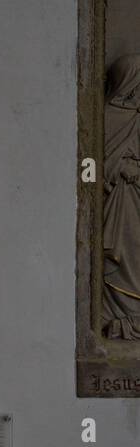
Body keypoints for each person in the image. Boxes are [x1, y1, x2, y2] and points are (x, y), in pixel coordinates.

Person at [102, 54, 140, 340]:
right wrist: (124, 169)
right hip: (121, 203)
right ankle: (124, 317)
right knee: (126, 256)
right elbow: (99, 163)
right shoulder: (108, 116)